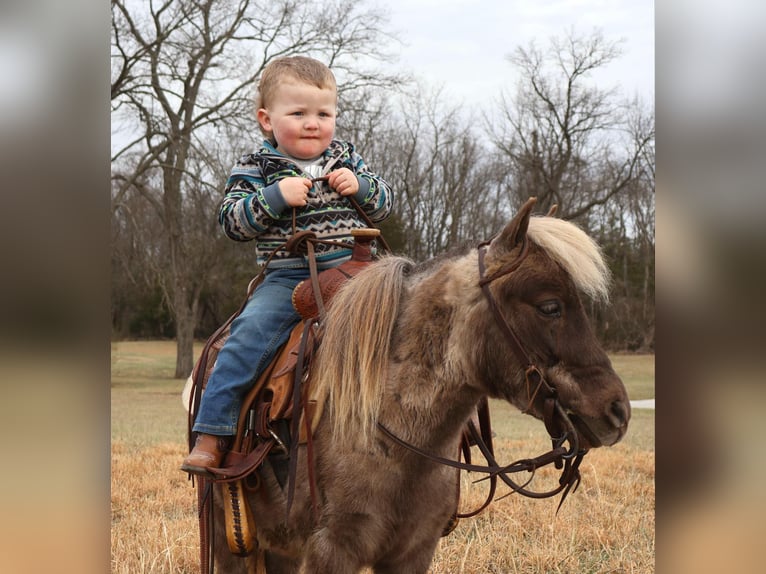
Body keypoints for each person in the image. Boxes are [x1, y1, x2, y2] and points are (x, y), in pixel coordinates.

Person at [181, 56, 392, 475]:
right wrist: (274, 197)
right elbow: (232, 223)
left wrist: (362, 186)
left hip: (361, 271)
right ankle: (213, 432)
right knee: (248, 337)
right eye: (298, 113)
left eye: (323, 113)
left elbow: (384, 205)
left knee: (426, 320)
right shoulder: (255, 167)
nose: (312, 123)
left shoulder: (346, 157)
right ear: (266, 119)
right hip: (291, 278)